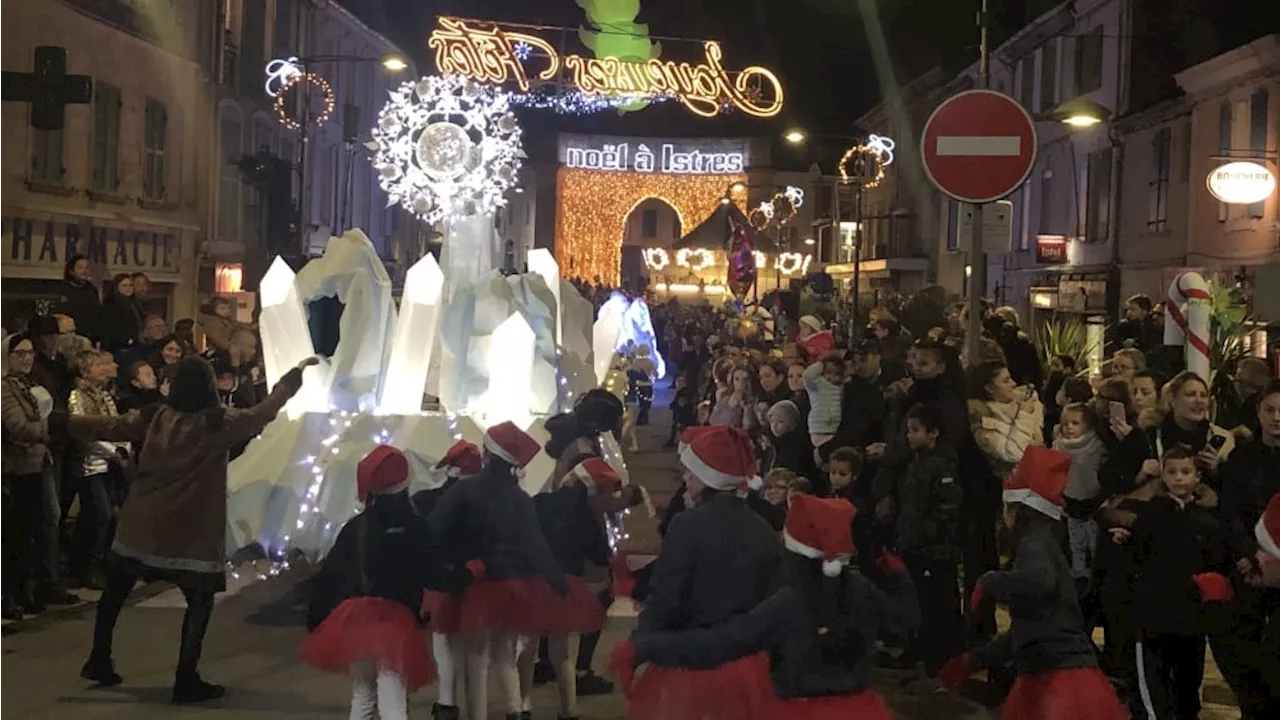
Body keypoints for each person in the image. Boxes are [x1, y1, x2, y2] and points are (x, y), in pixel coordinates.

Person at [72, 355, 316, 703]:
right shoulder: (219, 422)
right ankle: (186, 679)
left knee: (116, 591)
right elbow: (263, 412)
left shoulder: (155, 416)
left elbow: (109, 426)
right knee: (198, 602)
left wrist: (64, 421)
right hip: (192, 528)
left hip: (143, 521)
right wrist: (292, 379)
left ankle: (99, 658)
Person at [610, 425, 870, 720]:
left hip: (692, 658)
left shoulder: (687, 525)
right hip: (749, 665)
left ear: (709, 479)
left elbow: (666, 596)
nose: (685, 480)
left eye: (691, 475)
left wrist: (642, 643)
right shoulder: (762, 528)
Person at [422, 422, 603, 720]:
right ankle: (516, 711)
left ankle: (477, 715)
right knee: (506, 654)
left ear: (487, 454)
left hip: (474, 583)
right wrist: (559, 583)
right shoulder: (519, 499)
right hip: (513, 586)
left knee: (476, 660)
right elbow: (536, 547)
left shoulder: (465, 491)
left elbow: (434, 529)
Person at [941, 451, 1127, 719]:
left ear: (1015, 509)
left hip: (1057, 678)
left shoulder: (1034, 543)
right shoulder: (1044, 544)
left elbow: (1038, 583)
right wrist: (977, 660)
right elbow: (1030, 628)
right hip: (1056, 669)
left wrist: (989, 581)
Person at [302, 445, 456, 720]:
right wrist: (467, 574)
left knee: (363, 694)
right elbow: (435, 576)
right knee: (393, 698)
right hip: (395, 623)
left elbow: (331, 575)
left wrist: (315, 618)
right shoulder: (416, 527)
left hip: (355, 619)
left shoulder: (357, 526)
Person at [781, 493, 916, 719]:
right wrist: (901, 580)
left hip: (795, 705)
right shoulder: (861, 588)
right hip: (855, 704)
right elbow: (904, 625)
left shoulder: (781, 590)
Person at [1123, 445, 1233, 719]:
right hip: (1154, 617)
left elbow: (1216, 563)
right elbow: (1135, 557)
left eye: (1185, 472)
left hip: (1191, 618)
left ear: (1197, 476)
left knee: (1188, 682)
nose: (1179, 478)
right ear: (1163, 476)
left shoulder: (1207, 520)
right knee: (1154, 684)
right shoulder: (1149, 515)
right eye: (1172, 472)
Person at [411, 440, 483, 720]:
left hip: (440, 580)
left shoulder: (426, 501)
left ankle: (446, 703)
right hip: (479, 581)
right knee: (477, 656)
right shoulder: (486, 500)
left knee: (443, 647)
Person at [893, 403, 963, 683]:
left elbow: (948, 506)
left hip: (935, 550)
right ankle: (918, 650)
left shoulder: (942, 464)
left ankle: (941, 656)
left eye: (916, 431)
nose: (910, 436)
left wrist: (927, 533)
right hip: (915, 545)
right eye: (908, 431)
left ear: (933, 433)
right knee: (917, 601)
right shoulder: (916, 463)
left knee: (938, 603)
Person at [0, 333, 64, 617]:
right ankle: (9, 595)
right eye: (19, 353)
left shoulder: (28, 384)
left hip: (37, 464)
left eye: (29, 353)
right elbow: (18, 426)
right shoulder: (4, 388)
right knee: (15, 534)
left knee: (33, 530)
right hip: (16, 468)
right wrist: (46, 429)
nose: (26, 358)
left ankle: (26, 590)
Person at [67, 350, 128, 590]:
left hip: (109, 464)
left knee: (106, 515)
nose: (105, 369)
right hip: (90, 464)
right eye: (98, 365)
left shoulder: (105, 396)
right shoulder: (77, 396)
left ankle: (99, 563)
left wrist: (122, 447)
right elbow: (83, 433)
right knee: (99, 513)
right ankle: (88, 566)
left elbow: (116, 424)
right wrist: (111, 452)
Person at [1053, 403, 1107, 591]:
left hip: (1092, 500)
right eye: (1066, 423)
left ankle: (1094, 577)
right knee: (1076, 541)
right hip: (1070, 498)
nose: (1069, 427)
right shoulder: (1058, 445)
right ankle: (1078, 574)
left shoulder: (1096, 446)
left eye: (1075, 423)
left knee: (1093, 541)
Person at [803, 352, 845, 462]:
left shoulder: (842, 387)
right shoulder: (818, 384)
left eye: (835, 373)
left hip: (834, 430)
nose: (830, 377)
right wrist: (822, 363)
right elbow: (807, 375)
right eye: (827, 372)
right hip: (819, 427)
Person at [57, 255, 102, 345]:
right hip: (69, 340)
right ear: (71, 271)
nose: (84, 271)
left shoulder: (92, 289)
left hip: (89, 340)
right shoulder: (62, 290)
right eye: (80, 268)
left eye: (87, 268)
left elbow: (97, 315)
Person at [101, 274, 144, 353]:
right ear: (117, 287)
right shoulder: (111, 303)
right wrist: (126, 340)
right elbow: (110, 328)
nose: (128, 288)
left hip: (134, 344)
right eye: (124, 285)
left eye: (130, 285)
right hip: (117, 346)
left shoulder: (135, 303)